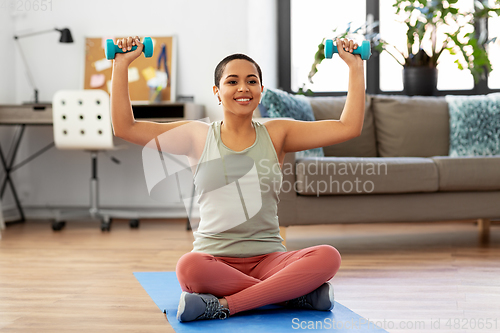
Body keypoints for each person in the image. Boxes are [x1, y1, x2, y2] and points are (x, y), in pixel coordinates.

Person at [111, 36, 365, 322]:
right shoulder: (196, 136)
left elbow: (348, 127)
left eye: (251, 81)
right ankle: (293, 296)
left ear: (261, 90)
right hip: (214, 260)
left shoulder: (278, 133)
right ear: (217, 92)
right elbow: (125, 127)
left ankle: (222, 306)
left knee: (328, 256)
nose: (243, 88)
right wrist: (121, 64)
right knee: (188, 268)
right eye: (232, 81)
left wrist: (355, 67)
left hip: (270, 260)